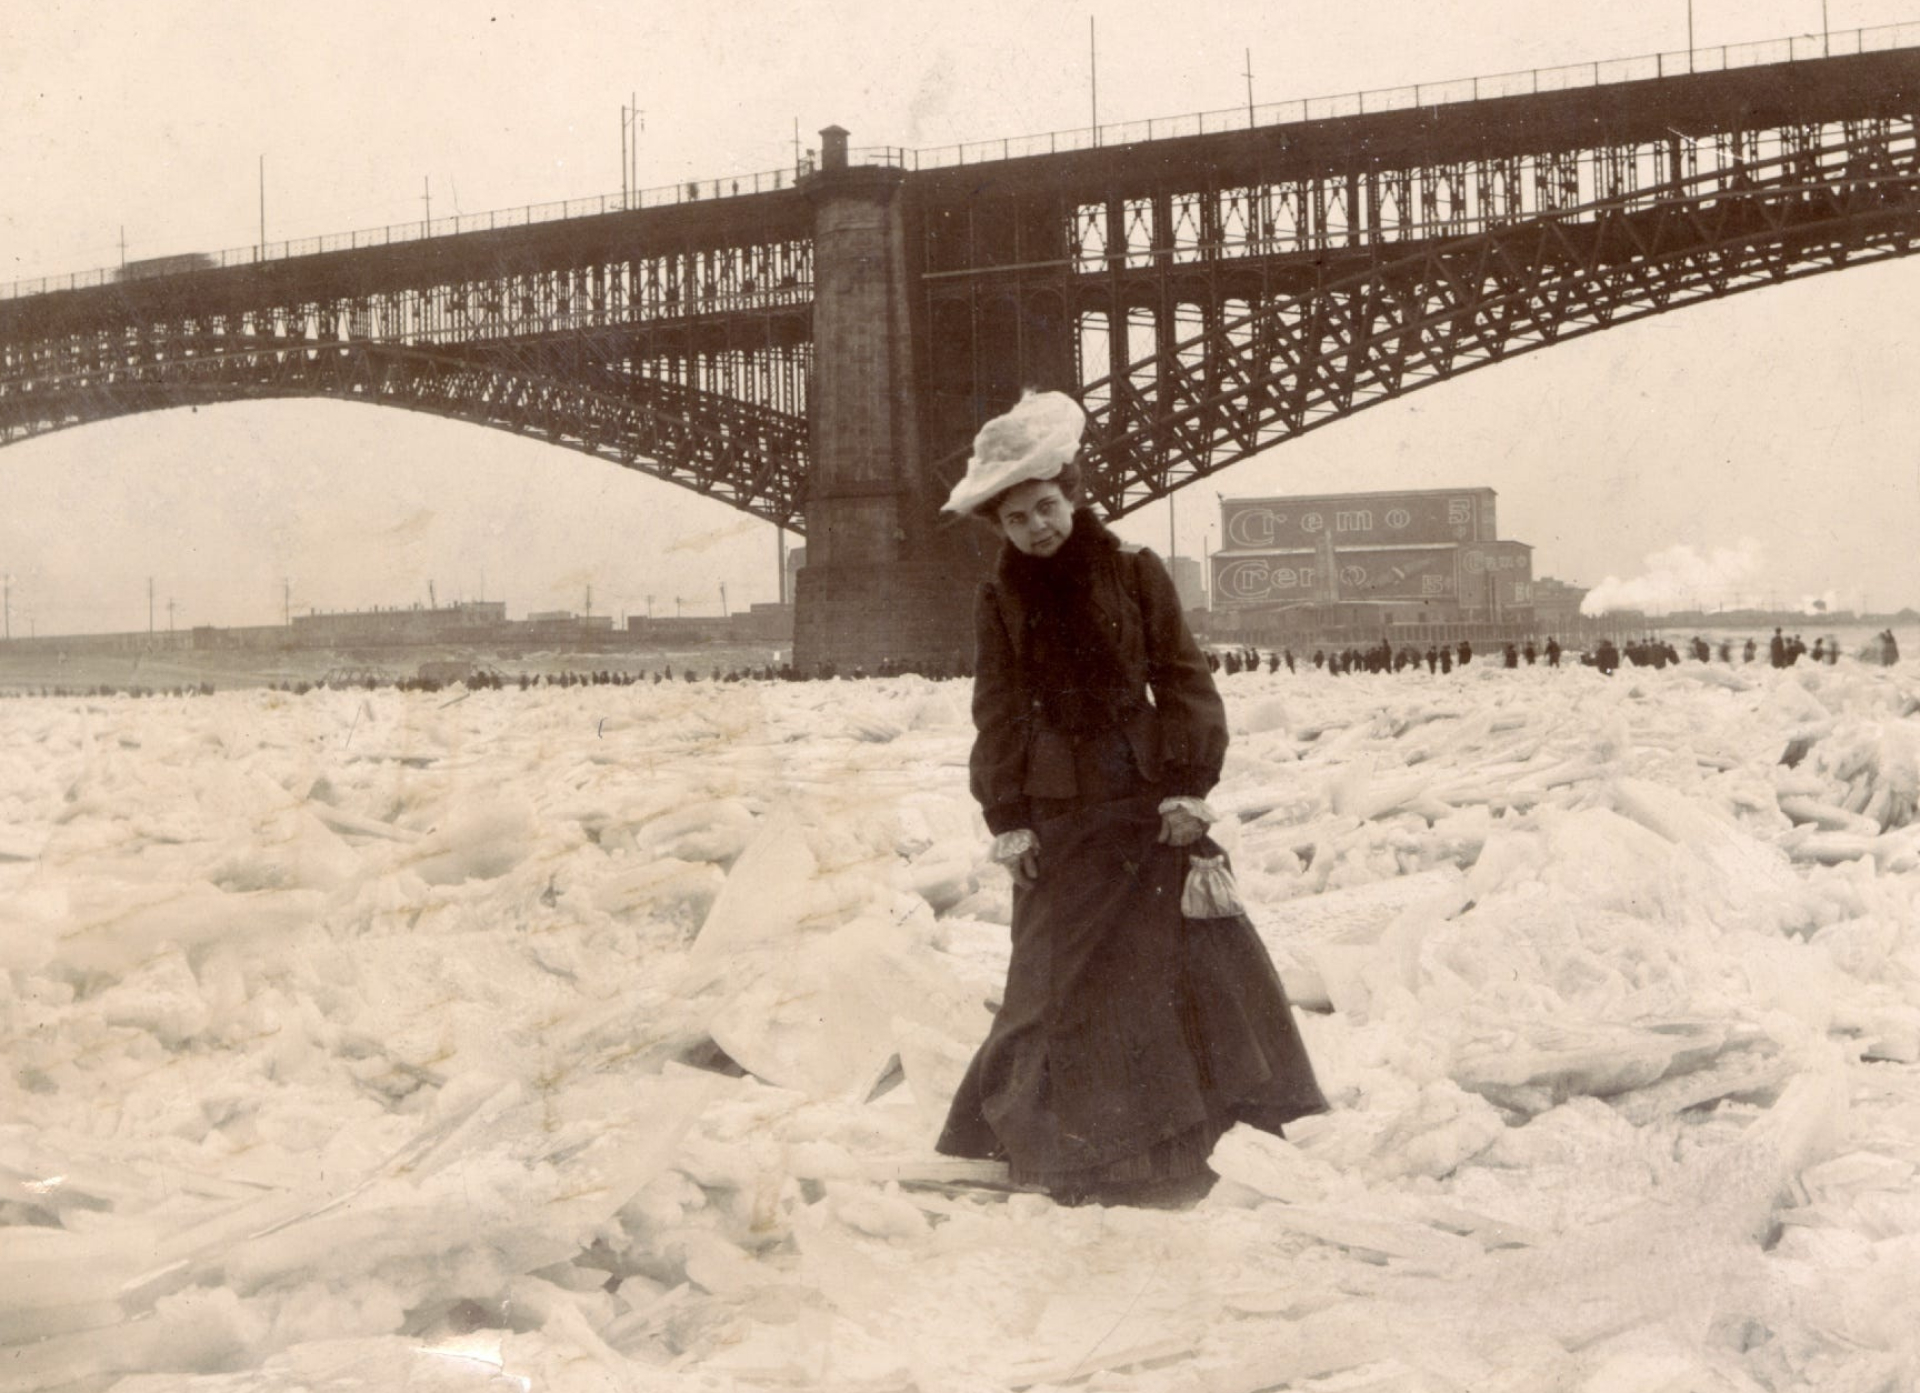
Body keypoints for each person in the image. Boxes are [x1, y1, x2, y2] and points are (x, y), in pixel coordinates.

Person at [933, 391, 1327, 1207]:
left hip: (1146, 801)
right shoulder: (997, 601)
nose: (1038, 528)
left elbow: (1182, 678)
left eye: (1047, 507)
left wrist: (1189, 785)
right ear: (998, 527)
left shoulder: (1136, 573)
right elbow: (997, 711)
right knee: (1051, 979)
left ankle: (1181, 1148)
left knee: (1167, 968)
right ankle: (1056, 1145)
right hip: (1059, 812)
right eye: (1018, 519)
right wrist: (1006, 818)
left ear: (1073, 495)